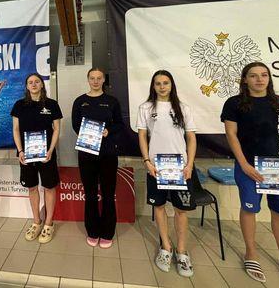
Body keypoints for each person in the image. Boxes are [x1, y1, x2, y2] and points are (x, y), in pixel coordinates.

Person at [221, 62, 279, 288]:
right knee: (249, 209)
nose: (259, 79)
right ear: (245, 79)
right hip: (249, 167)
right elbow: (231, 135)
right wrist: (244, 164)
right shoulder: (234, 103)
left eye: (264, 75)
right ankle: (251, 253)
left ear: (269, 78)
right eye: (253, 75)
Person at [137, 70, 196, 277]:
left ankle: (182, 252)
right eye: (158, 83)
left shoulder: (183, 108)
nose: (162, 87)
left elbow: (191, 137)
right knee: (159, 207)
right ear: (153, 86)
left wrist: (189, 164)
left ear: (172, 85)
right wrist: (147, 161)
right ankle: (166, 247)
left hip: (180, 168)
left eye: (166, 83)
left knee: (181, 210)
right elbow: (142, 136)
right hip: (156, 167)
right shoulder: (145, 108)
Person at [71, 67, 124, 248]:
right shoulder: (80, 101)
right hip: (86, 153)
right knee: (90, 194)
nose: (95, 81)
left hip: (108, 153)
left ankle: (107, 232)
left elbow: (119, 124)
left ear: (103, 80)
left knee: (108, 194)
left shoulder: (112, 101)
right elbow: (76, 125)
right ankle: (93, 231)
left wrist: (109, 131)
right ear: (88, 80)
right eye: (92, 78)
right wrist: (89, 136)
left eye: (99, 78)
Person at [11, 73, 62, 243]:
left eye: (37, 82)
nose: (33, 84)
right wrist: (20, 151)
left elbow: (57, 129)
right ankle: (36, 222)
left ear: (42, 85)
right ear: (27, 86)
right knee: (32, 187)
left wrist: (51, 150)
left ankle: (48, 223)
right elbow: (16, 129)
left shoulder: (52, 104)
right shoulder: (19, 105)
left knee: (49, 187)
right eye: (30, 82)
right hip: (26, 154)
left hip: (47, 154)